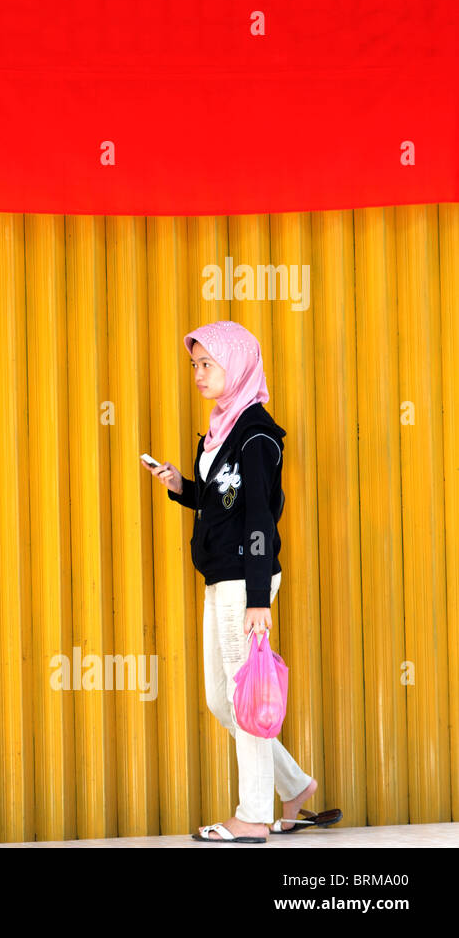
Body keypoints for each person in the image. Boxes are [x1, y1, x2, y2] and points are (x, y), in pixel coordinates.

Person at [141, 320, 333, 843]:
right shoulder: (221, 429)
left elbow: (258, 520)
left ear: (238, 364)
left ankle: (252, 816)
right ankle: (293, 787)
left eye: (207, 364)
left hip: (242, 584)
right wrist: (183, 486)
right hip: (220, 580)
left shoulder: (257, 436)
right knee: (225, 700)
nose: (198, 374)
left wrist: (256, 598)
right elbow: (219, 501)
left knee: (241, 698)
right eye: (194, 365)